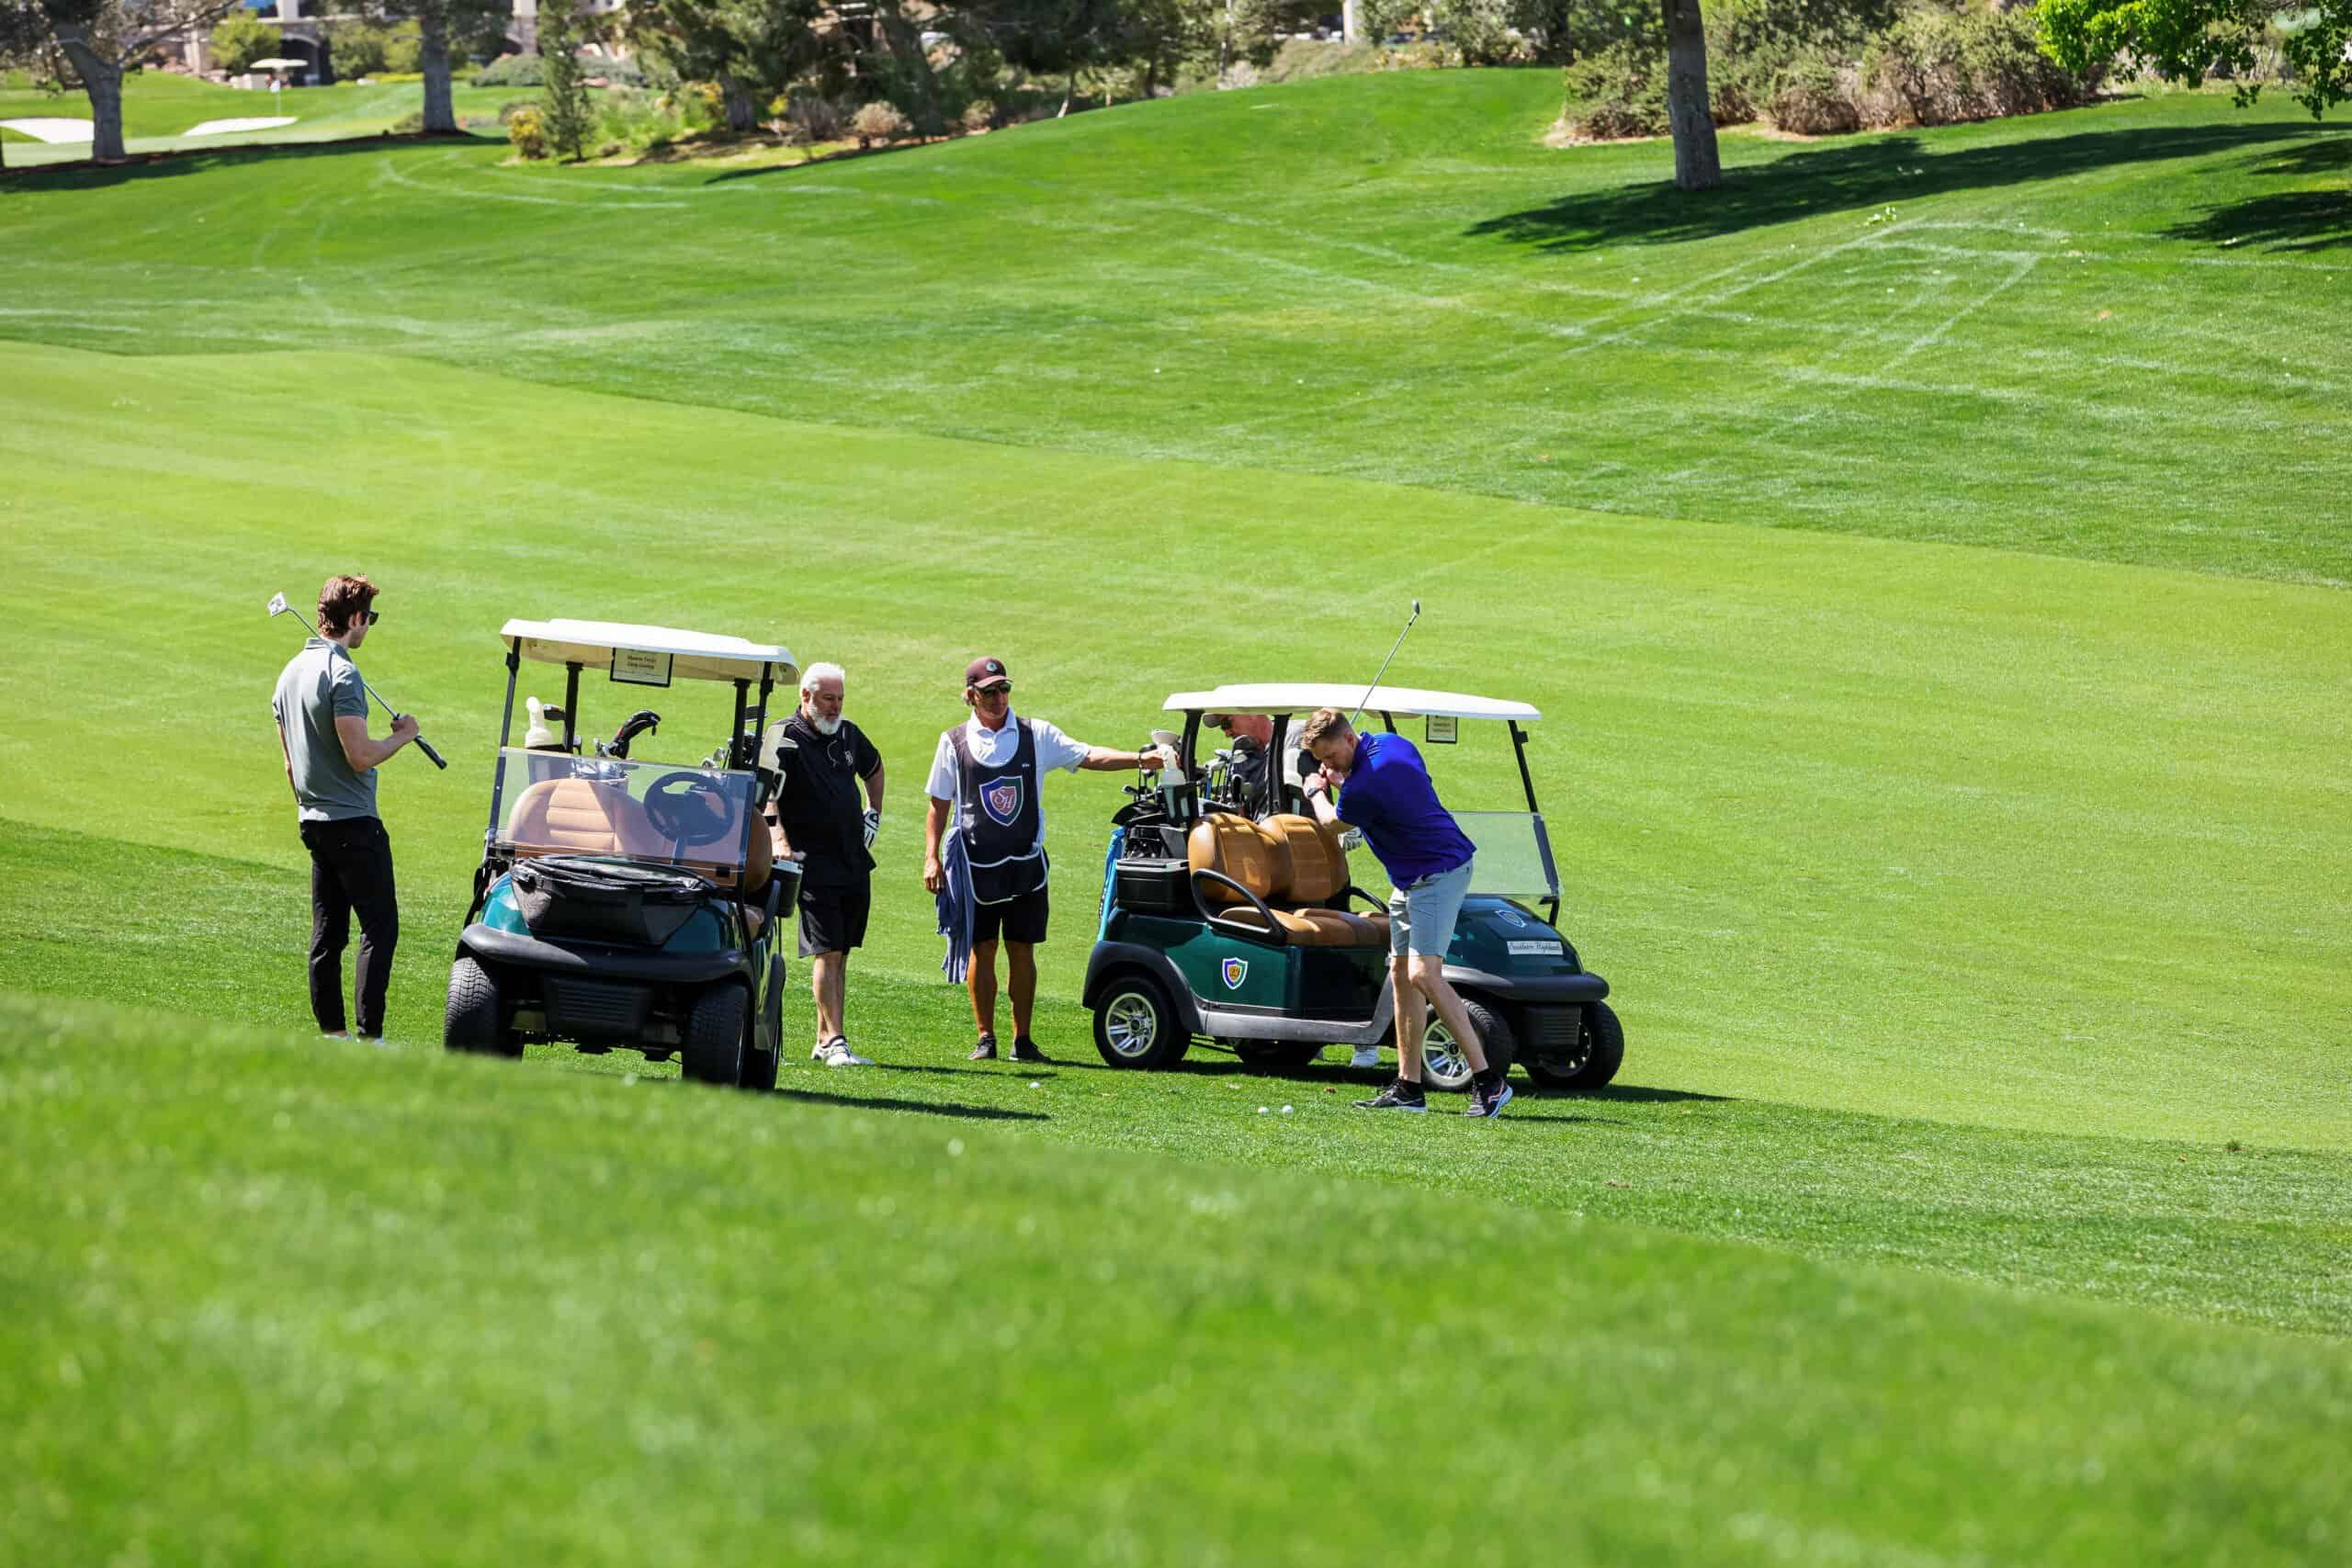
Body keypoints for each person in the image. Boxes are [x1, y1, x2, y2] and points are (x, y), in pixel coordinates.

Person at [924, 656, 1170, 1062]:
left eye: (1005, 689)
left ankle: (1023, 1039)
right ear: (969, 695)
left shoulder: (1035, 733)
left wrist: (1140, 759)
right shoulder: (953, 742)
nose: (999, 697)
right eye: (989, 691)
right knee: (981, 949)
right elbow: (938, 802)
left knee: (1022, 950)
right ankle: (985, 1038)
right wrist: (931, 857)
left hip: (1025, 865)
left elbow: (1088, 755)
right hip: (975, 866)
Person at [1299, 706, 1511, 1117]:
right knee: (1400, 974)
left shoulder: (1364, 786)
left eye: (1331, 757)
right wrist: (1343, 778)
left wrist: (1315, 789)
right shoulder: (1394, 745)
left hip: (1438, 873)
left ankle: (1489, 1082)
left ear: (1348, 740)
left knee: (1422, 973)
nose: (1328, 765)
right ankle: (1408, 1087)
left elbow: (1333, 824)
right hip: (1410, 878)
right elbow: (1380, 787)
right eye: (1322, 762)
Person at [271, 574, 419, 1042]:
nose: (369, 626)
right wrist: (402, 736)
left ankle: (331, 1037)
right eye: (369, 618)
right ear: (354, 618)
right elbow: (360, 756)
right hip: (353, 823)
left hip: (312, 821)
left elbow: (292, 768)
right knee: (379, 928)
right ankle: (369, 1038)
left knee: (329, 933)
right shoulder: (343, 673)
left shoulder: (289, 673)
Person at [765, 662, 885, 1068]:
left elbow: (874, 767)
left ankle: (824, 1039)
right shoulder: (782, 737)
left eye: (839, 700)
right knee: (827, 952)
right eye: (827, 699)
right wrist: (778, 839)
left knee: (841, 951)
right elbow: (765, 794)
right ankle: (836, 1041)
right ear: (805, 697)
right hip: (811, 863)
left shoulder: (848, 733)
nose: (834, 708)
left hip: (851, 858)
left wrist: (874, 812)